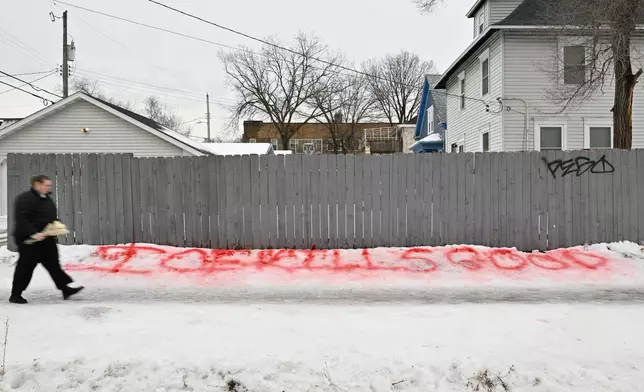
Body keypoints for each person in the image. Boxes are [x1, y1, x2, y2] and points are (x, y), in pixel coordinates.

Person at [9, 175, 84, 304]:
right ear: (36, 184)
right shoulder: (25, 199)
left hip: (46, 238)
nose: (49, 187)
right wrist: (33, 233)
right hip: (29, 241)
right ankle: (15, 294)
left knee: (53, 264)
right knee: (25, 267)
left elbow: (50, 217)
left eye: (50, 185)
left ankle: (65, 289)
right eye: (47, 185)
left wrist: (57, 225)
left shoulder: (46, 199)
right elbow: (22, 219)